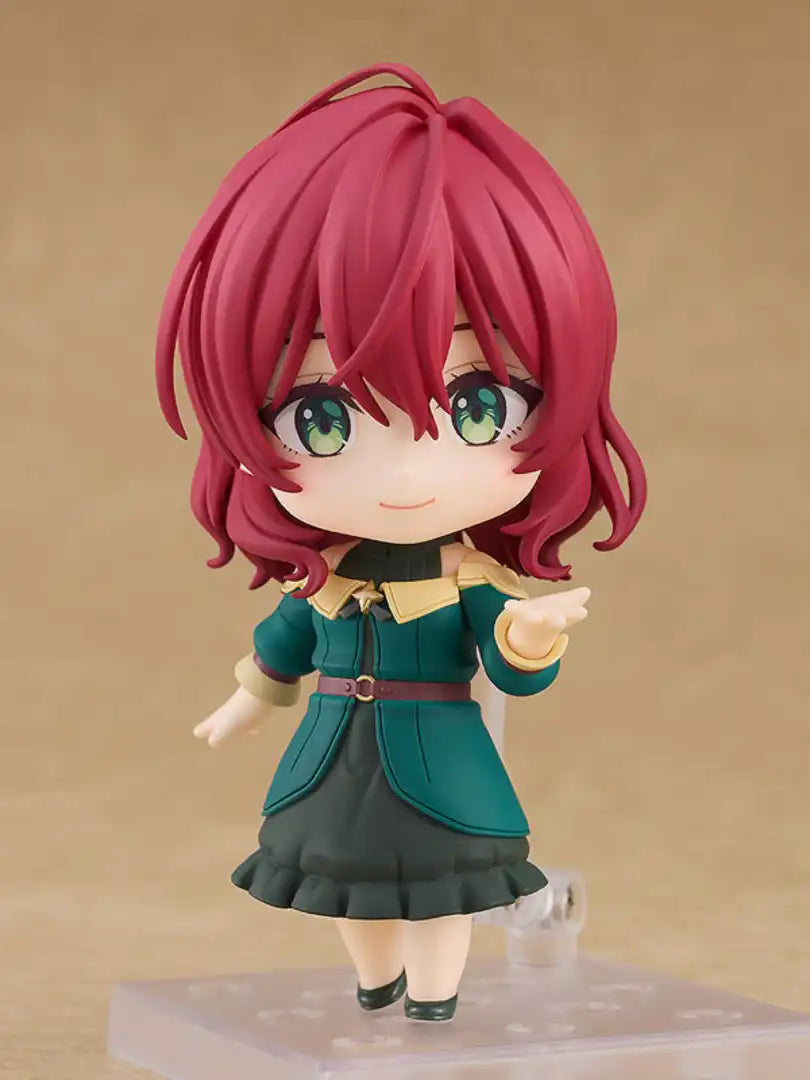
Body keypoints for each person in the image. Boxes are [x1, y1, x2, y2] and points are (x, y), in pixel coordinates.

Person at [156, 63, 647, 1022]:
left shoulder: (469, 576)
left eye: (478, 407)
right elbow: (285, 645)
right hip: (332, 757)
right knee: (345, 885)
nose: (412, 470)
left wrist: (530, 637)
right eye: (321, 417)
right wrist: (245, 702)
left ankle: (433, 1001)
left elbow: (512, 661)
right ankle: (375, 984)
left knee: (443, 888)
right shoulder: (326, 580)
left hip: (443, 763)